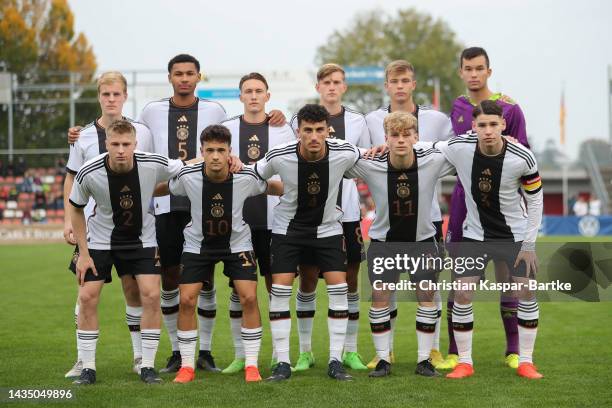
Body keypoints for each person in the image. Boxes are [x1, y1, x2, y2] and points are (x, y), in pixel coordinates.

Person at [67, 55, 286, 373]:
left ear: (199, 76)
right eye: (178, 74)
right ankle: (172, 356)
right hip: (167, 205)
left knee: (207, 283)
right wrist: (80, 133)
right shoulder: (149, 113)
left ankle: (206, 353)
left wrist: (273, 120)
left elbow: (222, 143)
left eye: (190, 73)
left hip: (209, 200)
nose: (184, 78)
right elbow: (141, 154)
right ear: (169, 77)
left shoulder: (216, 111)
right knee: (171, 283)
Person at [152, 124, 283, 383]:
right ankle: (187, 366)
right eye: (209, 150)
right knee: (187, 300)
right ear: (201, 151)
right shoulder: (188, 176)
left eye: (220, 150)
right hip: (197, 245)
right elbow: (162, 188)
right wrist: (143, 188)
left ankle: (252, 366)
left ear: (229, 152)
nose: (214, 156)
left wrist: (295, 190)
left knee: (248, 298)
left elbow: (272, 187)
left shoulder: (244, 177)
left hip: (237, 244)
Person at [68, 120, 186, 385]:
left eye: (126, 144)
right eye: (115, 144)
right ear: (107, 144)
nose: (121, 150)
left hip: (141, 240)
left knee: (151, 294)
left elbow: (186, 166)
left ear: (135, 144)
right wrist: (84, 254)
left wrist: (229, 160)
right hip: (99, 241)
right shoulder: (89, 171)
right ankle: (87, 367)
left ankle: (147, 365)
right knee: (87, 297)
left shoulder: (153, 162)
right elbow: (75, 207)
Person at [436, 100, 543, 379]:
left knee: (526, 292)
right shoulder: (459, 147)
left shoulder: (523, 157)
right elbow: (424, 149)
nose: (488, 130)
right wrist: (385, 147)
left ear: (503, 125)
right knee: (461, 293)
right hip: (475, 235)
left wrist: (530, 246)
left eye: (493, 124)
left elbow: (535, 201)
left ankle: (526, 362)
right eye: (482, 125)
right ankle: (465, 362)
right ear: (473, 126)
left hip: (515, 236)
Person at [255, 104, 360, 382]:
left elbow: (369, 160)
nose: (314, 136)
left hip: (327, 231)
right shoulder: (279, 155)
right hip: (287, 231)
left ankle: (335, 361)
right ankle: (283, 363)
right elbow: (254, 175)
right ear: (298, 131)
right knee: (279, 291)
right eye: (308, 130)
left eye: (319, 130)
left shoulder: (345, 152)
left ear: (328, 131)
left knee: (339, 289)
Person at [346, 111, 455, 378]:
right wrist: (364, 150)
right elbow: (341, 158)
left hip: (423, 242)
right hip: (385, 244)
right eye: (395, 135)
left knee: (426, 297)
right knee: (381, 298)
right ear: (386, 138)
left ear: (416, 137)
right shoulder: (372, 163)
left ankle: (424, 361)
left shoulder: (432, 160)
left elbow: (461, 150)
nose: (401, 140)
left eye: (407, 135)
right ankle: (383, 359)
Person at [442, 47, 531, 371]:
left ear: (489, 72)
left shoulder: (510, 107)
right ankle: (455, 351)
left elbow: (523, 159)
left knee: (509, 278)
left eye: (480, 68)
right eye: (468, 68)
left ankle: (513, 350)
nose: (474, 73)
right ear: (461, 72)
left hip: (503, 210)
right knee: (460, 278)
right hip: (465, 204)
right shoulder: (459, 107)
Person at [63, 71, 153, 379]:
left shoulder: (141, 130)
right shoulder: (83, 135)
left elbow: (151, 171)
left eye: (116, 94)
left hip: (131, 228)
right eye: (106, 94)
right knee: (86, 292)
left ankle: (141, 357)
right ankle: (82, 360)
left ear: (125, 96)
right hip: (92, 227)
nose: (111, 99)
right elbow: (72, 177)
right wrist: (68, 221)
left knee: (133, 290)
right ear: (99, 97)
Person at [365, 60, 454, 368]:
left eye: (406, 80)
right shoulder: (372, 119)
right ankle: (383, 353)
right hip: (387, 227)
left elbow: (458, 149)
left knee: (428, 290)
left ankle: (431, 352)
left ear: (413, 84)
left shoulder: (437, 119)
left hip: (426, 222)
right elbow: (357, 156)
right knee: (381, 293)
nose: (400, 86)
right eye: (394, 81)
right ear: (387, 85)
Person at [289, 63, 371, 371]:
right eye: (327, 82)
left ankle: (349, 350)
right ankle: (305, 351)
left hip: (347, 213)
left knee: (350, 281)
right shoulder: (300, 120)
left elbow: (364, 160)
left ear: (344, 87)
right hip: (309, 214)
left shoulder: (358, 121)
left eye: (338, 82)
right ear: (318, 87)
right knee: (307, 279)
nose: (332, 87)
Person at [220, 73, 294, 373]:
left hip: (274, 221)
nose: (253, 96)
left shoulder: (283, 130)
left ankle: (279, 353)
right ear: (240, 96)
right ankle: (241, 355)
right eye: (248, 91)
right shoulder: (226, 129)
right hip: (238, 223)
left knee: (276, 287)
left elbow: (290, 173)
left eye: (258, 91)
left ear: (268, 95)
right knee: (239, 290)